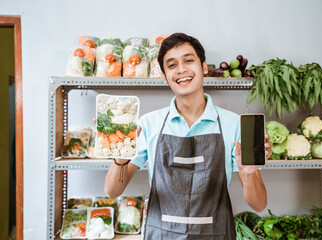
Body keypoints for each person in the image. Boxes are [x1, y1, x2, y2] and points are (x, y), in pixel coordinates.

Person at [104, 33, 272, 239]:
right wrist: (120, 159)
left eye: (189, 61)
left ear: (204, 67)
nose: (181, 69)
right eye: (172, 65)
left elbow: (259, 204)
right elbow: (113, 191)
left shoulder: (233, 124)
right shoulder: (148, 124)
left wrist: (247, 174)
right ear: (165, 76)